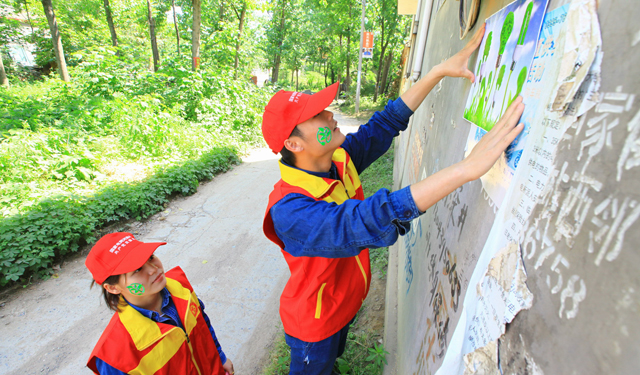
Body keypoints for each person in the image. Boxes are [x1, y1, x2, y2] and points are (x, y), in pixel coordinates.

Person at [261, 23, 524, 375]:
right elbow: (366, 220)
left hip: (343, 304)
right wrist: (466, 169)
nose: (331, 114)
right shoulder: (289, 210)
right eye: (318, 116)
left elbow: (384, 125)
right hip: (314, 323)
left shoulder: (336, 159)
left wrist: (437, 72)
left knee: (333, 359)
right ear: (294, 145)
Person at [85, 232, 235, 375]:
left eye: (150, 257)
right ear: (113, 288)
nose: (153, 269)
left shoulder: (179, 286)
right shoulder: (114, 353)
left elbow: (203, 324)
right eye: (137, 270)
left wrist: (220, 357)